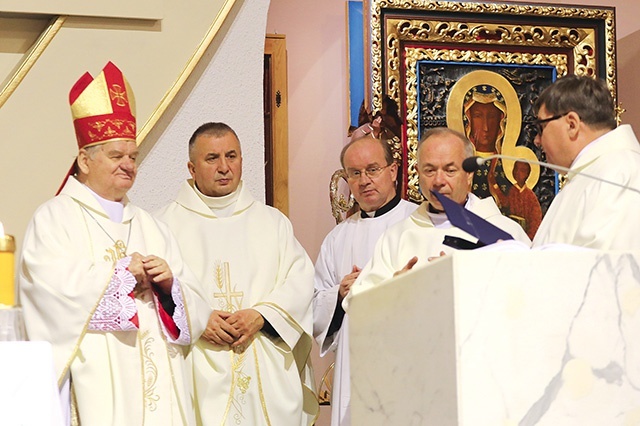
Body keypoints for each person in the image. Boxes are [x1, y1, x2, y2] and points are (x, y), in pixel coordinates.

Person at [19, 62, 209, 425]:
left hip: (160, 392)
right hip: (99, 387)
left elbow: (195, 309)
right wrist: (120, 276)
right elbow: (50, 295)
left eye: (133, 156)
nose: (128, 165)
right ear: (83, 160)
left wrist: (170, 288)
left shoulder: (152, 226)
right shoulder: (55, 218)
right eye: (116, 156)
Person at [155, 122, 318, 425]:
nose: (224, 167)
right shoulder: (162, 226)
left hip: (263, 370)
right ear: (191, 168)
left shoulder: (272, 223)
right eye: (212, 158)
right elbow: (152, 296)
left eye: (232, 156)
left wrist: (260, 315)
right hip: (195, 369)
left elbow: (300, 282)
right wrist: (198, 319)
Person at [346, 127, 531, 297]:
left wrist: (466, 280)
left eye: (450, 170)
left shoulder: (502, 232)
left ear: (469, 175)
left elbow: (531, 293)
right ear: (417, 173)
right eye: (429, 170)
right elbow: (359, 302)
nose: (438, 181)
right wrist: (395, 288)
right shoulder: (397, 237)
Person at [313, 135, 417, 426]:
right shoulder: (337, 239)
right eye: (355, 173)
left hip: (408, 358)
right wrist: (338, 294)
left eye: (373, 169)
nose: (364, 180)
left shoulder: (418, 223)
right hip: (355, 362)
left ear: (393, 171)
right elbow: (314, 307)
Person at [531, 75, 640, 249]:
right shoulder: (592, 172)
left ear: (572, 125)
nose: (537, 140)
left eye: (541, 128)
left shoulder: (620, 173)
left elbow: (606, 266)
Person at [463, 85, 511, 200]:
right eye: (478, 116)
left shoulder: (507, 168)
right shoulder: (459, 165)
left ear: (501, 121)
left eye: (492, 117)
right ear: (468, 120)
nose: (485, 127)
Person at [488, 159, 542, 239]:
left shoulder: (530, 196)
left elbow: (536, 220)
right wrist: (495, 185)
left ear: (527, 174)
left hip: (525, 236)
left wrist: (528, 238)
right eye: (515, 169)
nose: (517, 173)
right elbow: (505, 203)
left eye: (522, 170)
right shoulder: (513, 190)